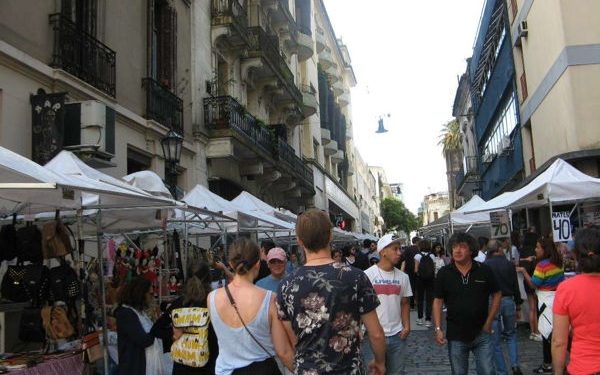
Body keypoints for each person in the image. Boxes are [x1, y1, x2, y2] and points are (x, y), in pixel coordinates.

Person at [277, 208, 386, 375]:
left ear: (299, 241)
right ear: (330, 235)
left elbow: (292, 340)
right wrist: (380, 362)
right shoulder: (356, 277)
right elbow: (376, 333)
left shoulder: (286, 286)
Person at [208, 238, 294, 374]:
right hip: (263, 370)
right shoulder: (269, 298)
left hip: (226, 371)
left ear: (230, 263)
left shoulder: (212, 298)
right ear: (258, 264)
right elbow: (283, 351)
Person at [432, 232, 501, 375]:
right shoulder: (445, 273)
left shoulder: (484, 270)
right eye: (454, 247)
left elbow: (497, 293)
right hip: (456, 334)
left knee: (488, 371)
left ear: (471, 250)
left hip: (482, 332)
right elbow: (438, 301)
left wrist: (489, 321)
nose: (457, 250)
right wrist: (438, 328)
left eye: (462, 247)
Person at [154, 261, 218, 375]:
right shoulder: (214, 302)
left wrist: (173, 335)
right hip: (208, 367)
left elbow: (155, 329)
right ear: (209, 279)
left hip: (181, 367)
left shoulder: (179, 303)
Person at [552, 227, 600, 375]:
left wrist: (558, 372)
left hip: (583, 367)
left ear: (576, 255)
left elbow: (559, 342)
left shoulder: (566, 289)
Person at [362, 234, 412, 375]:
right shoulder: (366, 276)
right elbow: (360, 306)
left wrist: (407, 325)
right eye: (395, 249)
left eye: (400, 249)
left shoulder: (403, 277)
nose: (399, 253)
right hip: (373, 336)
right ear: (383, 252)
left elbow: (405, 303)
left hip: (397, 336)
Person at [517, 237, 564, 374]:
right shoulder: (558, 261)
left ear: (545, 250)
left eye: (538, 247)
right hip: (558, 297)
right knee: (557, 330)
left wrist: (524, 271)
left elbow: (533, 284)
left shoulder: (542, 265)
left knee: (546, 332)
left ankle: (548, 363)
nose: (536, 250)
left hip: (545, 299)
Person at [485, 240, 523, 375]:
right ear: (499, 249)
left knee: (494, 341)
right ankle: (514, 364)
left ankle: (502, 371)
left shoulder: (485, 265)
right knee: (511, 334)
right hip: (508, 300)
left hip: (492, 302)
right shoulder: (508, 264)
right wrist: (518, 305)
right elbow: (515, 286)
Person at [115, 277, 165, 375]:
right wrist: (158, 327)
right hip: (135, 367)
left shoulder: (139, 313)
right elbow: (144, 340)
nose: (152, 296)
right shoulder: (126, 314)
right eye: (150, 294)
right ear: (141, 294)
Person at [519, 231, 542, 341]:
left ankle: (533, 331)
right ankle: (537, 331)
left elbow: (519, 263)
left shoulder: (522, 251)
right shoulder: (535, 251)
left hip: (526, 280)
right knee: (536, 307)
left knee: (531, 308)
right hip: (535, 279)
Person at [414, 239, 435, 327]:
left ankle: (420, 318)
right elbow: (433, 268)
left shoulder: (417, 256)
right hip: (430, 279)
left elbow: (415, 269)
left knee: (420, 299)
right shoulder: (432, 255)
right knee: (429, 299)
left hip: (420, 279)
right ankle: (428, 320)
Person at [402, 237, 420, 309]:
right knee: (418, 287)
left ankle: (412, 304)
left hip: (409, 270)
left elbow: (404, 259)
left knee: (412, 287)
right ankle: (418, 302)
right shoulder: (419, 249)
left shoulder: (407, 249)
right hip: (419, 270)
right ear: (417, 242)